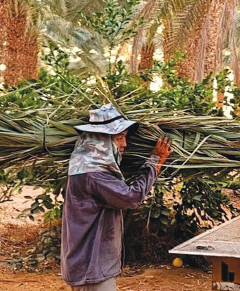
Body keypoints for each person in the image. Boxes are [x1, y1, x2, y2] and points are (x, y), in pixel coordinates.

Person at [61, 103, 172, 290]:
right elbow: (131, 198)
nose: (124, 145)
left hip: (88, 265)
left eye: (125, 137)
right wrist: (154, 162)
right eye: (120, 138)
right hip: (91, 268)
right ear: (101, 140)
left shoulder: (86, 165)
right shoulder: (94, 174)